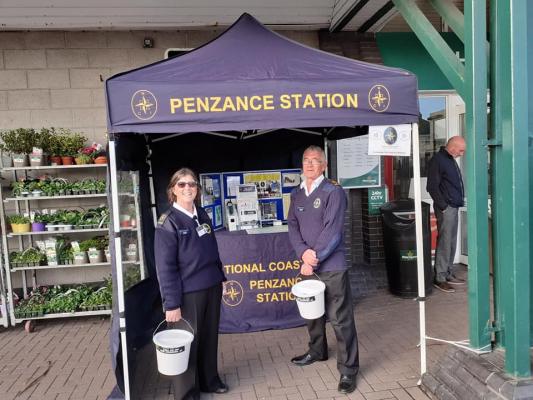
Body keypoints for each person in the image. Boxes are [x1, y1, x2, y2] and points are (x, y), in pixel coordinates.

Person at [287, 145, 359, 394]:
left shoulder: (333, 191)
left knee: (340, 319)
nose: (309, 164)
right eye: (306, 160)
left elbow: (333, 231)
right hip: (307, 265)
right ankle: (318, 352)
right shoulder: (296, 193)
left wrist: (312, 257)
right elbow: (292, 227)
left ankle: (348, 370)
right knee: (313, 315)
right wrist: (302, 254)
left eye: (315, 161)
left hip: (332, 266)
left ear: (324, 166)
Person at [154, 168, 228, 400]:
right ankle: (187, 392)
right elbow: (165, 267)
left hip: (211, 286)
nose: (188, 188)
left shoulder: (202, 214)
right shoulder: (168, 223)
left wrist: (221, 278)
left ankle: (209, 380)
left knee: (209, 337)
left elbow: (213, 251)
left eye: (192, 184)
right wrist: (171, 304)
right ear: (173, 190)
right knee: (188, 341)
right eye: (182, 184)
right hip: (188, 293)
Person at [426, 136, 466, 293]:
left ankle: (448, 273)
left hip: (453, 207)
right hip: (447, 208)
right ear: (453, 147)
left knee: (451, 241)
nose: (462, 154)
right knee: (445, 242)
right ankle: (440, 278)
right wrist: (443, 206)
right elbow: (432, 187)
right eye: (461, 150)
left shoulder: (449, 159)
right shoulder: (438, 160)